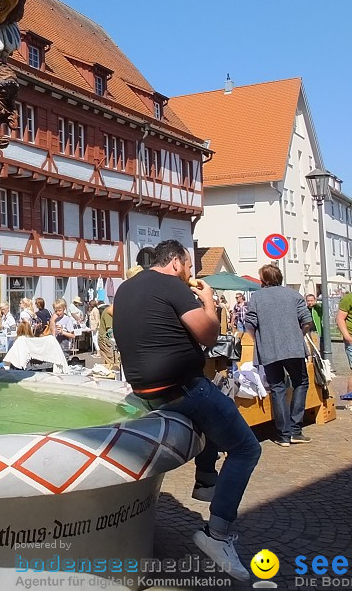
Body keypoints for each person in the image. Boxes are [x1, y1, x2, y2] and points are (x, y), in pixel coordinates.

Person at [113, 240, 259, 581]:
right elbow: (209, 335)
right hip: (182, 389)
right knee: (246, 448)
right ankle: (217, 535)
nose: (191, 274)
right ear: (177, 262)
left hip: (146, 391)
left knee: (216, 410)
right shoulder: (172, 286)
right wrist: (208, 301)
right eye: (190, 267)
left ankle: (207, 480)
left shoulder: (126, 288)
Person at [243, 264, 312, 448]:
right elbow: (307, 321)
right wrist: (298, 334)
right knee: (301, 382)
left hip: (269, 348)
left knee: (277, 388)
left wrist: (259, 338)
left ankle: (283, 435)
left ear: (263, 280)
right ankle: (296, 430)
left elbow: (249, 323)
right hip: (293, 347)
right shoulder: (293, 295)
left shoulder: (256, 298)